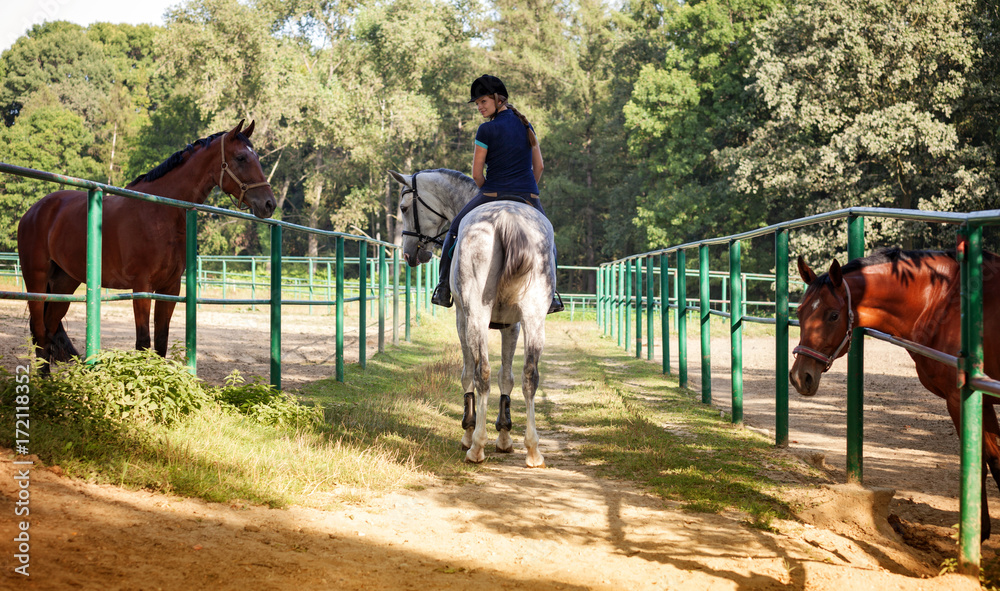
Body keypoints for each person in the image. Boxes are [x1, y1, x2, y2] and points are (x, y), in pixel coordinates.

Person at [431, 74, 563, 314]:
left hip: (492, 193)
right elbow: (539, 167)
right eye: (478, 103)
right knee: (548, 239)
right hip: (528, 196)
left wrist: (488, 191)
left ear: (497, 99)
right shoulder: (526, 125)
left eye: (483, 101)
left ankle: (442, 288)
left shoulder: (486, 130)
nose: (480, 107)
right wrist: (526, 190)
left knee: (453, 231)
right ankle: (552, 294)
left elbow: (477, 173)